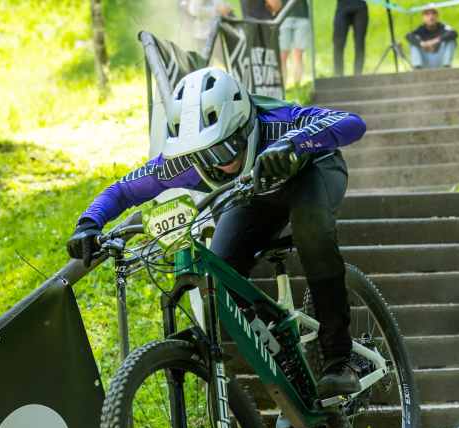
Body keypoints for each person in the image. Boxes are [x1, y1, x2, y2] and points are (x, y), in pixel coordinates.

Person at [68, 67, 368, 403]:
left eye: (224, 150)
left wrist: (293, 144)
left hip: (312, 171)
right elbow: (123, 190)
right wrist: (89, 223)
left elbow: (352, 123)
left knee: (311, 230)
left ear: (244, 128)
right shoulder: (183, 162)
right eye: (204, 155)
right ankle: (287, 367)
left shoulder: (277, 122)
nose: (217, 164)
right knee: (220, 272)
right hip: (250, 193)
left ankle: (339, 359)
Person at [266, 0, 311, 86]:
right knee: (282, 55)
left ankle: (297, 85)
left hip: (302, 16)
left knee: (298, 54)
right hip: (283, 17)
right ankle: (282, 86)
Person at [333, 0, 369, 76]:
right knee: (338, 43)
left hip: (360, 6)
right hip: (342, 6)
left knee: (359, 43)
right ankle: (338, 76)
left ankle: (358, 76)